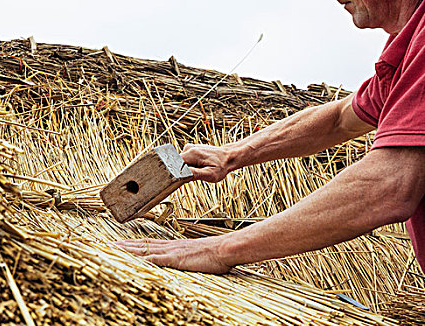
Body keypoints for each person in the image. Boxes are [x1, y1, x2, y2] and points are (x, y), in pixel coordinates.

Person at [117, 0, 425, 274]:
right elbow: (340, 120)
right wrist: (232, 154)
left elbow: (390, 184)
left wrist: (220, 249)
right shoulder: (405, 50)